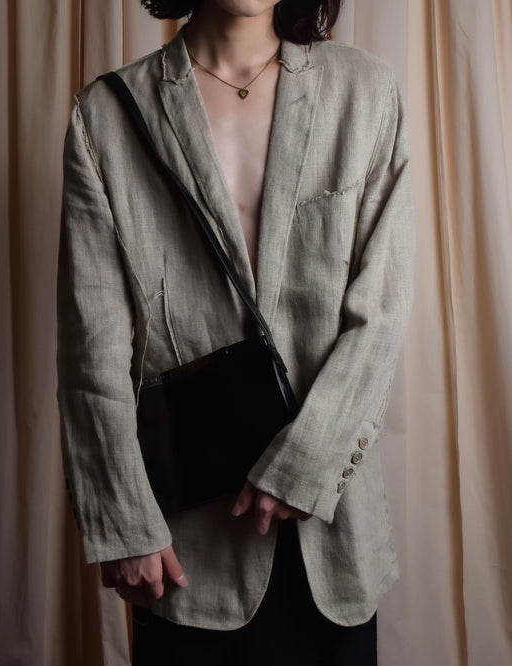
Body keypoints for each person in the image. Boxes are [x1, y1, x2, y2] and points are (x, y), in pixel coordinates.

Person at [56, 0, 415, 664]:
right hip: (186, 548)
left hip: (332, 534)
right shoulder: (106, 114)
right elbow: (91, 345)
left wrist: (305, 463)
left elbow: (382, 310)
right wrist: (123, 522)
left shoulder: (364, 90)